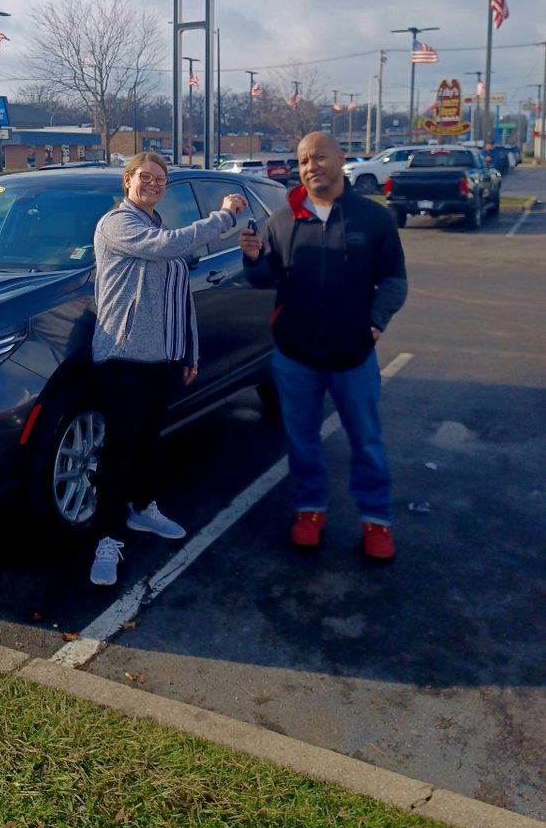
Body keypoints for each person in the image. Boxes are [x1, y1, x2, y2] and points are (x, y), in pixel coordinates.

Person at [239, 132, 407, 560]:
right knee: (302, 442)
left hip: (353, 357)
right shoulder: (283, 221)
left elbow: (394, 280)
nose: (310, 166)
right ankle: (309, 510)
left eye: (318, 157)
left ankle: (376, 519)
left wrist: (375, 323)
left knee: (366, 441)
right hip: (296, 357)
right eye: (302, 161)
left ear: (340, 158)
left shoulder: (373, 219)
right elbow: (263, 279)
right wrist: (253, 258)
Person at [88, 151, 246, 585]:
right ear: (127, 181)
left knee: (147, 443)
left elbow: (180, 297)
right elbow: (169, 247)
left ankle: (143, 508)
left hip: (162, 358)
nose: (154, 183)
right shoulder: (118, 223)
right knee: (118, 452)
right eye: (146, 176)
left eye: (160, 179)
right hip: (123, 357)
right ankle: (107, 539)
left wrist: (189, 349)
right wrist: (222, 218)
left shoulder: (156, 226)